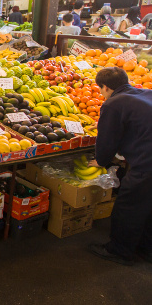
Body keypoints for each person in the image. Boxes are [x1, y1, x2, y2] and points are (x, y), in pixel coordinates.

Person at [88, 67, 152, 266]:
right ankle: (146, 249)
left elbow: (107, 140)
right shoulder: (146, 93)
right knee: (148, 206)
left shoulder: (113, 103)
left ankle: (119, 250)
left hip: (147, 161)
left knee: (129, 205)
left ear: (105, 87)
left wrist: (100, 160)